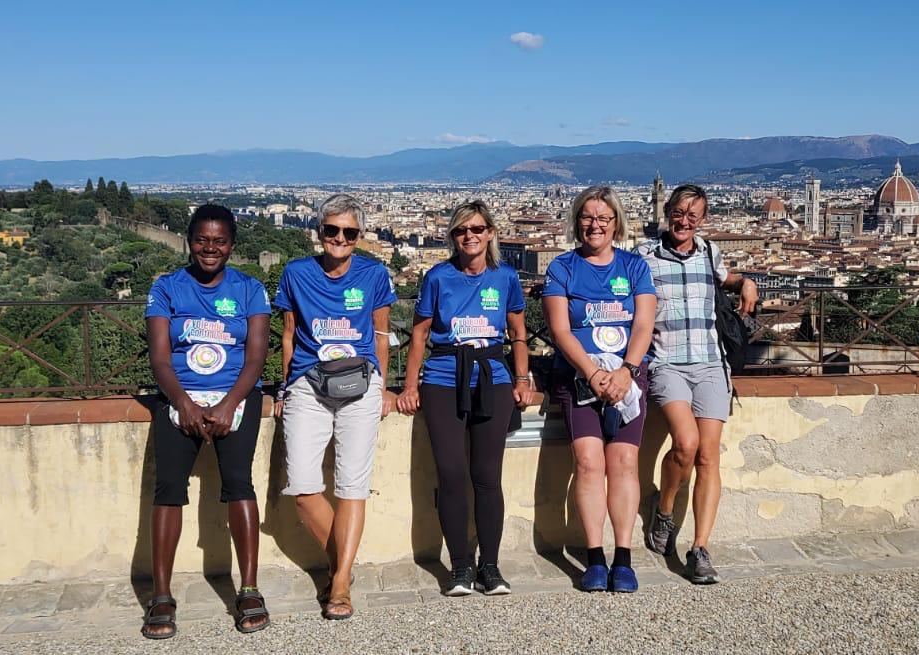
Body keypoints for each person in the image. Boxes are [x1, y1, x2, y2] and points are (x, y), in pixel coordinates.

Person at [141, 204, 272, 638]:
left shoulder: (251, 289)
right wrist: (184, 402)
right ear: (189, 240)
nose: (209, 249)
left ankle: (249, 587)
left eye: (219, 241)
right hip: (180, 398)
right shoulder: (166, 288)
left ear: (232, 245)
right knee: (169, 490)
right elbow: (159, 357)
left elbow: (256, 357)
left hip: (235, 397)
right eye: (202, 240)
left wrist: (230, 403)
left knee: (239, 483)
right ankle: (161, 594)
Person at [273, 193, 397, 621]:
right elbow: (289, 334)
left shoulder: (374, 273)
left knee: (351, 486)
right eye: (332, 230)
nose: (340, 238)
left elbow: (382, 334)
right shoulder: (296, 273)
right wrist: (285, 387)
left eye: (349, 232)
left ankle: (340, 583)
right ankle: (339, 563)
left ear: (359, 236)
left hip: (361, 383)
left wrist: (382, 385)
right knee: (304, 487)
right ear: (319, 232)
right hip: (308, 382)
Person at [397, 200, 529, 597]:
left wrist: (522, 378)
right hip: (442, 379)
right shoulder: (438, 277)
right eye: (460, 230)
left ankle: (490, 565)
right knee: (452, 475)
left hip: (493, 376)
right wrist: (409, 385)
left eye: (475, 228)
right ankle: (460, 566)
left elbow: (518, 332)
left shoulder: (506, 277)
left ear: (489, 232)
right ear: (452, 236)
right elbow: (419, 333)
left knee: (487, 478)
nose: (468, 236)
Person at [634, 184, 759, 585]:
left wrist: (746, 282)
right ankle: (666, 511)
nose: (685, 221)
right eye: (679, 212)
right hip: (667, 363)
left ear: (703, 220)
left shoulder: (709, 252)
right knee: (685, 445)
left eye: (694, 215)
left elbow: (727, 278)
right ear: (666, 211)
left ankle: (700, 548)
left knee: (708, 457)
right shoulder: (643, 256)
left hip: (711, 365)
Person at [542, 186, 657, 593]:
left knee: (624, 462)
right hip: (578, 374)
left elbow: (643, 324)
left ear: (616, 224)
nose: (595, 224)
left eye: (603, 218)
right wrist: (592, 373)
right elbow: (559, 329)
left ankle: (622, 558)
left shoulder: (634, 266)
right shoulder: (562, 267)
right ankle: (594, 557)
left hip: (627, 376)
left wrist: (627, 371)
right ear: (578, 222)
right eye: (588, 217)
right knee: (588, 462)